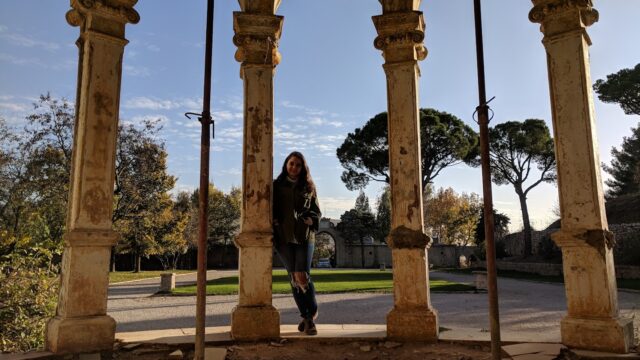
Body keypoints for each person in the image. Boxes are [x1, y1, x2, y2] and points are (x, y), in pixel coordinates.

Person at [273, 151, 321, 335]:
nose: (294, 167)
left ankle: (310, 314)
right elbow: (269, 208)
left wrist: (312, 219)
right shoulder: (277, 186)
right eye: (291, 163)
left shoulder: (309, 186)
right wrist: (274, 221)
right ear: (286, 164)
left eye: (298, 165)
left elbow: (317, 210)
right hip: (283, 237)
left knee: (302, 275)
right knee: (294, 277)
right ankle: (307, 318)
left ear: (303, 168)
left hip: (304, 237)